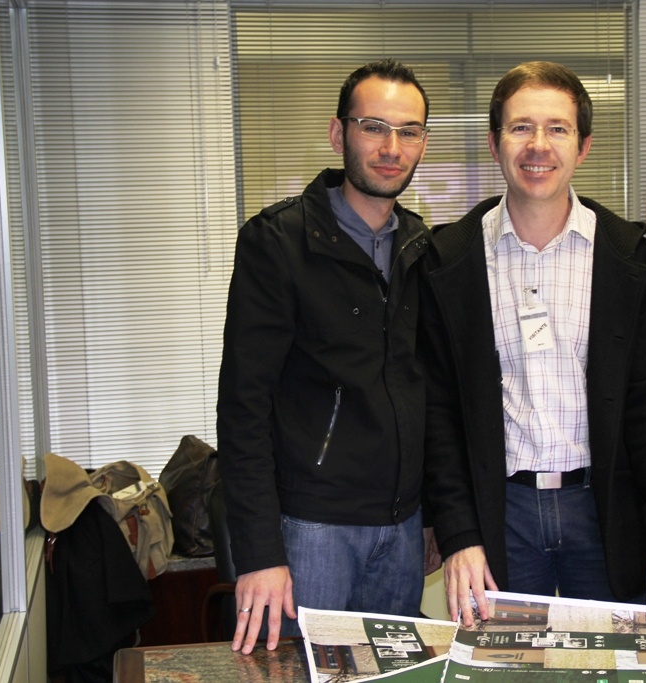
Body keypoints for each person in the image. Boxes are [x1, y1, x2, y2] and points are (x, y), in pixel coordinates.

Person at [419, 61, 646, 631]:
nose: (538, 146)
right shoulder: (450, 259)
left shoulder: (626, 257)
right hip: (500, 515)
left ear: (583, 147)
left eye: (557, 129)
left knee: (617, 664)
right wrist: (458, 533)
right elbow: (440, 415)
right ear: (494, 143)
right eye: (520, 128)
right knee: (510, 668)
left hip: (604, 509)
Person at [216, 58, 432, 653]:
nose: (391, 147)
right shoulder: (279, 242)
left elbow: (424, 391)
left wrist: (433, 516)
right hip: (311, 530)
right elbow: (243, 405)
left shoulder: (422, 248)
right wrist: (260, 552)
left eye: (408, 131)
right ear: (339, 134)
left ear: (422, 142)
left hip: (403, 528)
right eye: (373, 127)